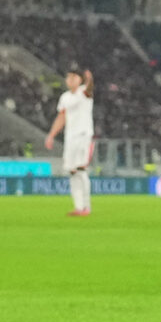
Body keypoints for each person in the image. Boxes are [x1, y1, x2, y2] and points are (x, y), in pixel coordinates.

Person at [45, 67, 96, 216]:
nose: (70, 80)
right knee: (72, 171)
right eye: (68, 77)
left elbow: (90, 89)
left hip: (83, 135)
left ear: (80, 80)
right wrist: (51, 135)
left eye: (74, 77)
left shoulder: (84, 93)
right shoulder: (65, 97)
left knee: (81, 169)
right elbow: (61, 117)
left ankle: (86, 207)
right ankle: (78, 207)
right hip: (70, 137)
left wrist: (89, 79)